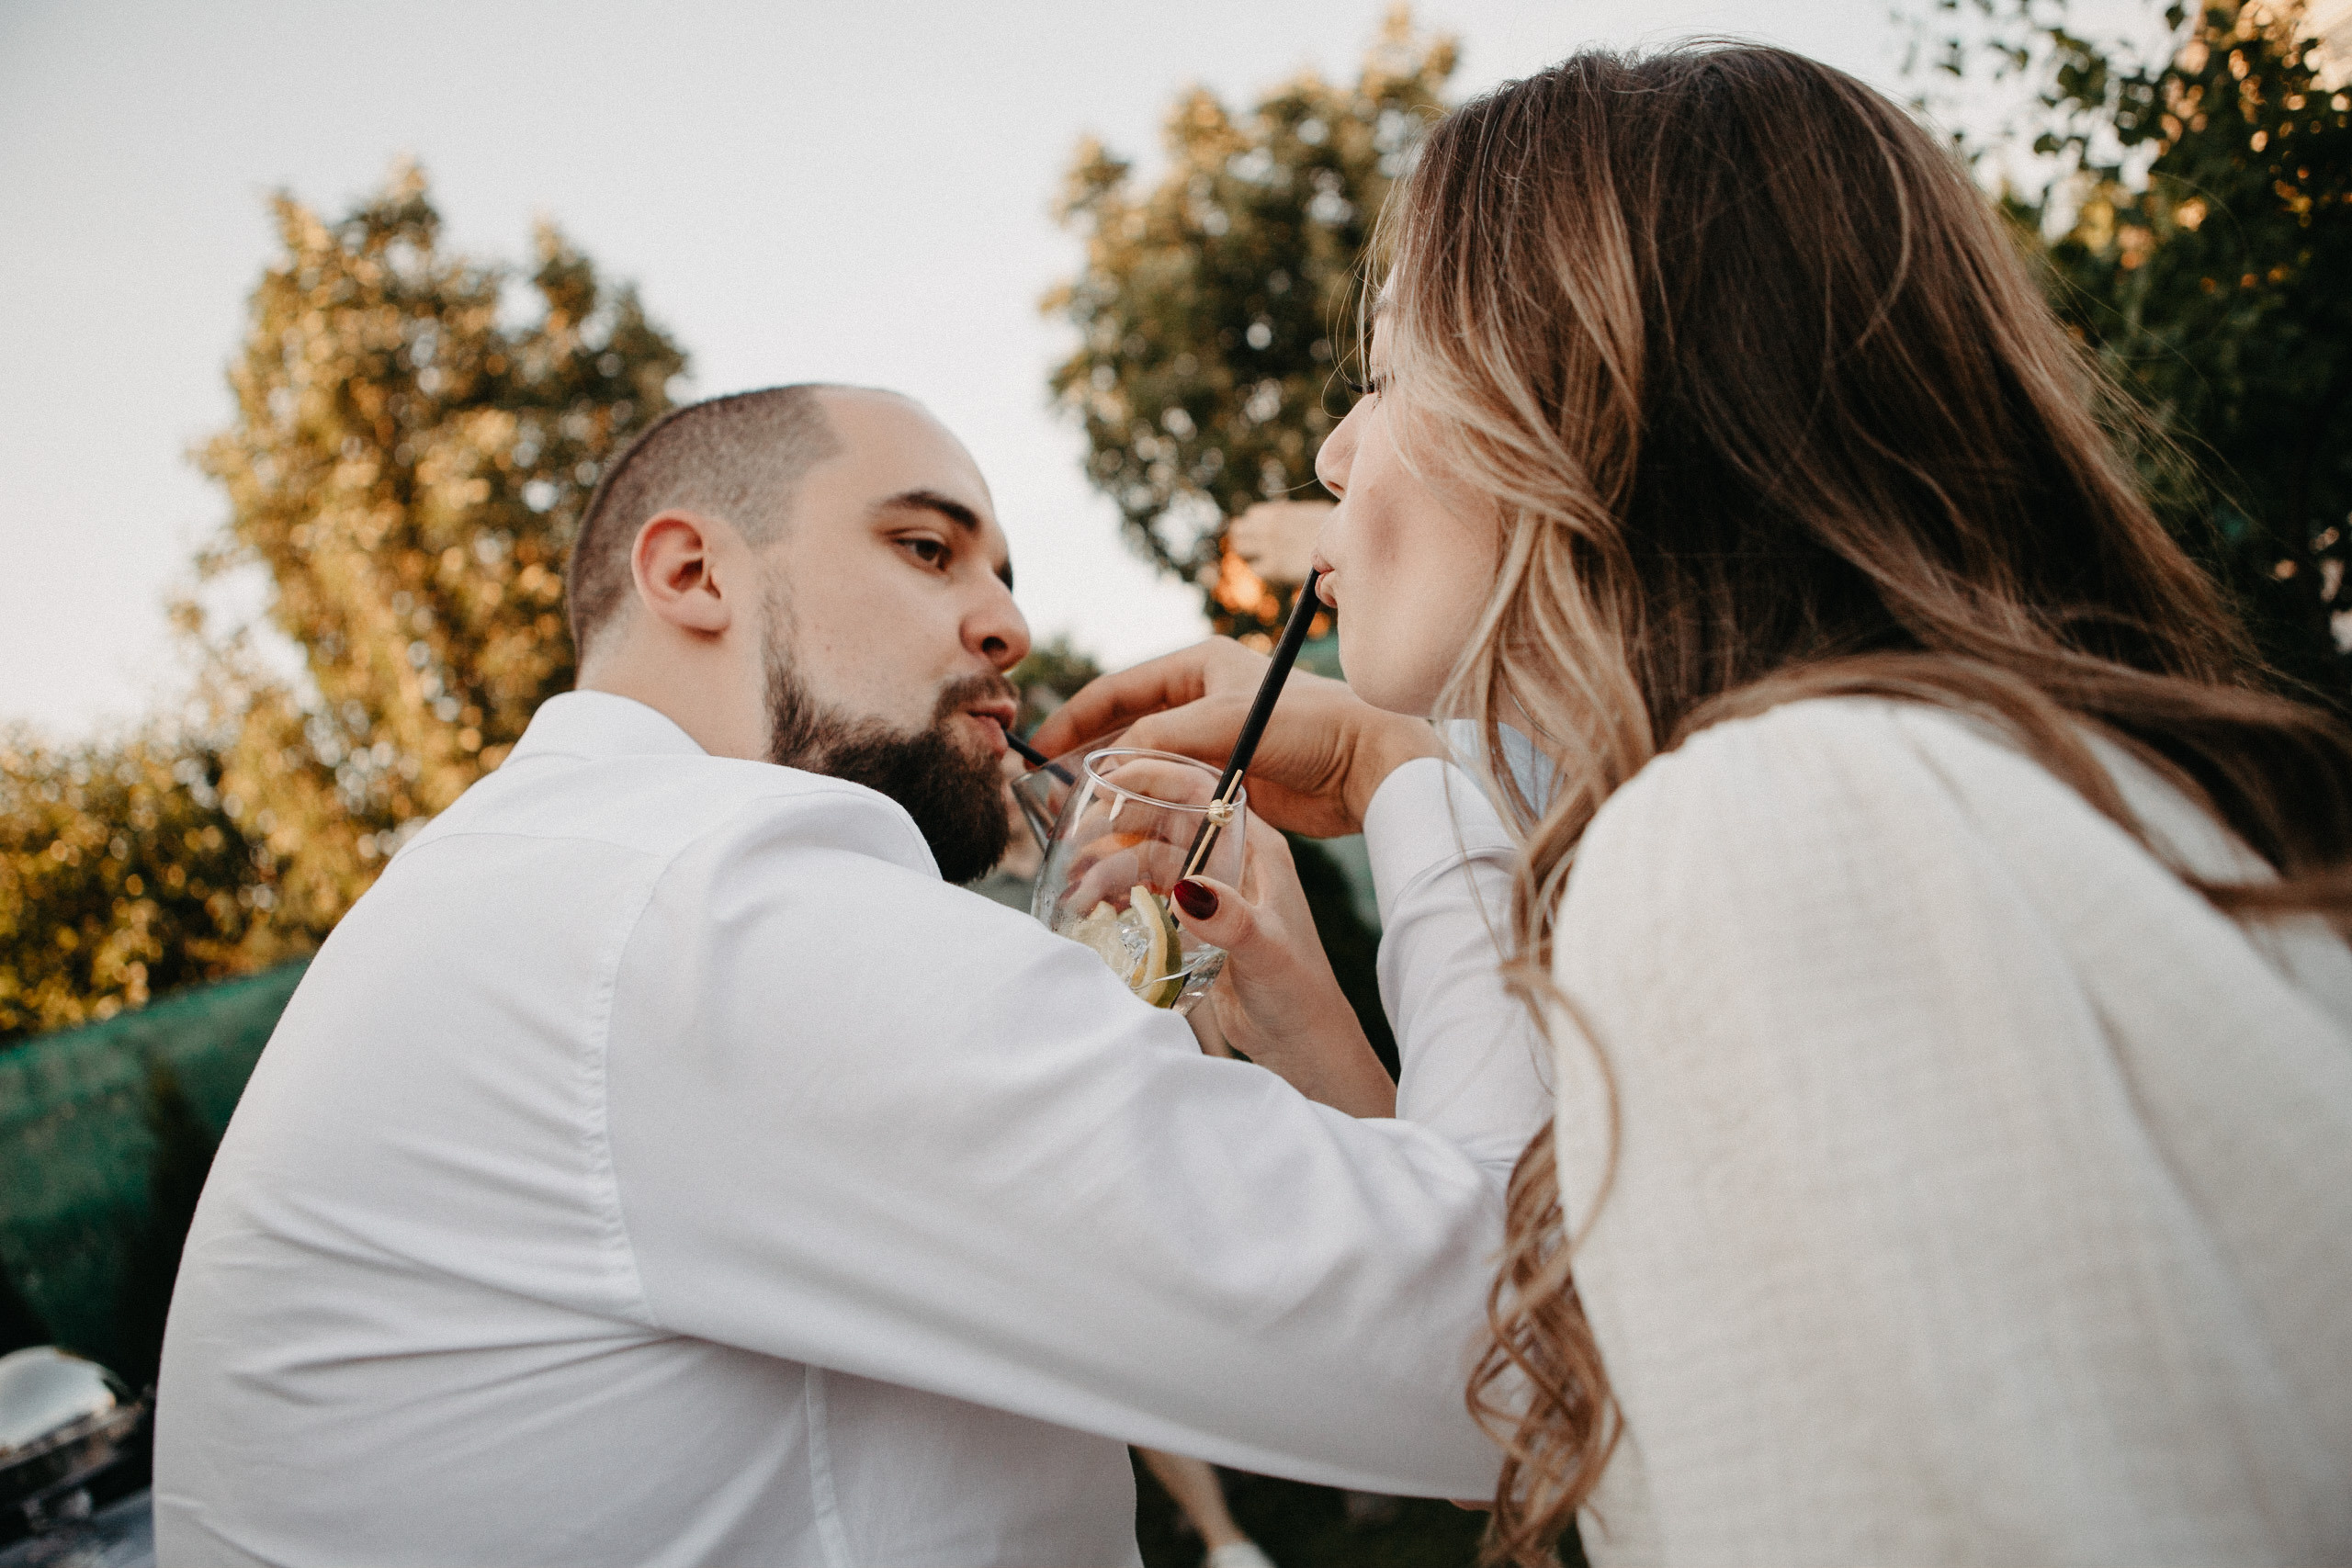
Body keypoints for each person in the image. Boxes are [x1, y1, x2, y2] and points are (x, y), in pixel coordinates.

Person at [1035, 43, 2352, 1568]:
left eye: (1387, 376)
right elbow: (1589, 1403)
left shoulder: (1771, 824)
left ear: (1588, 405)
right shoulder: (1932, 784)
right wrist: (1402, 802)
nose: (1336, 452)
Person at [153, 385, 1548, 1566]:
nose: (1005, 623)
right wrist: (1410, 774)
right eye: (930, 550)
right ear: (693, 574)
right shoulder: (701, 899)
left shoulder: (551, 888)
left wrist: (1308, 1044)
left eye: (1003, 575)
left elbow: (1491, 1398)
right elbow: (1510, 1362)